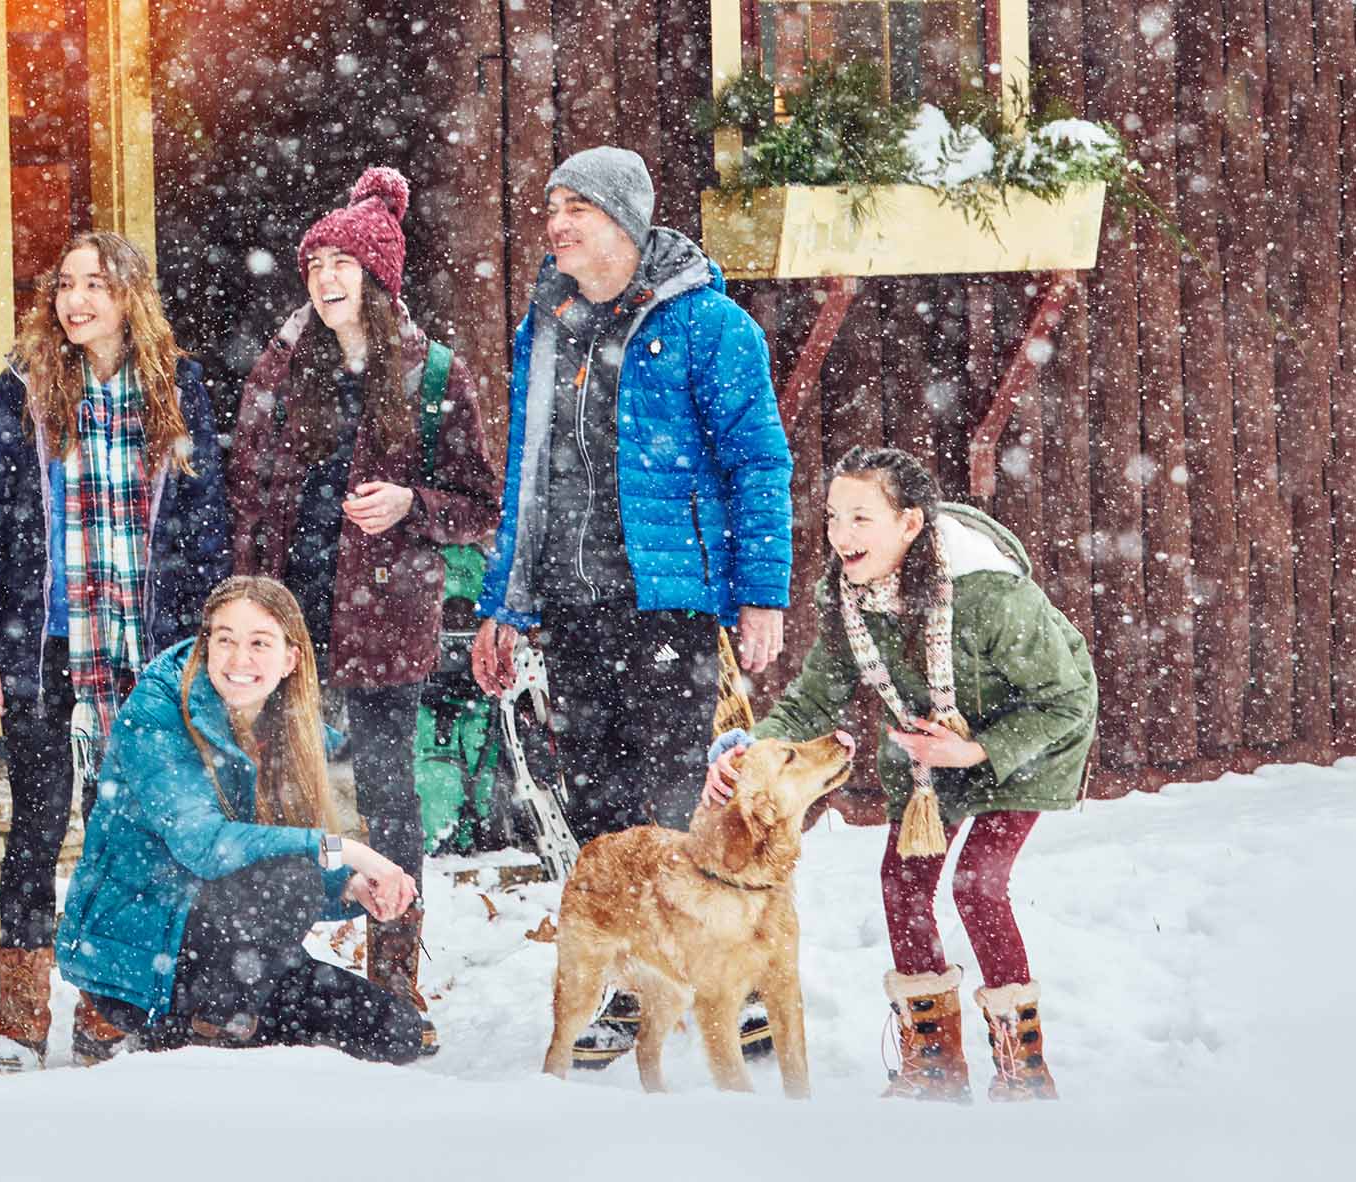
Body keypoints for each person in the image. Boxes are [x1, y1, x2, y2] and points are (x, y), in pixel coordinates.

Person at [467, 145, 793, 1067]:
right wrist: (506, 602)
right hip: (573, 606)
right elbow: (527, 480)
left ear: (625, 220)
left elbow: (757, 464)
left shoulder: (708, 325)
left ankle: (733, 985)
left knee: (671, 799)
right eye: (551, 206)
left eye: (576, 206)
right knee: (602, 809)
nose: (557, 222)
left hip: (668, 601)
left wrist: (760, 595)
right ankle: (637, 985)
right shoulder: (552, 324)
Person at [704, 446, 1097, 1102]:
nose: (840, 535)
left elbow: (1065, 702)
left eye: (861, 518)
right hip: (929, 749)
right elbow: (813, 698)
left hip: (1024, 738)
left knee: (978, 885)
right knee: (903, 884)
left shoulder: (991, 595)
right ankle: (934, 1065)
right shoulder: (848, 596)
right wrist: (751, 755)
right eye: (833, 517)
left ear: (910, 524)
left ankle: (1024, 1072)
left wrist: (976, 751)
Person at [0, 230, 231, 1073]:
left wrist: (202, 648)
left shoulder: (178, 393)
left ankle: (110, 1003)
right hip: (45, 648)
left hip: (147, 654)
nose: (77, 301)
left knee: (130, 829)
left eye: (96, 285)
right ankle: (20, 1013)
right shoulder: (21, 393)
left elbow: (207, 529)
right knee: (35, 826)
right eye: (66, 284)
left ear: (129, 297)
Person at [224, 167, 503, 1019]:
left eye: (344, 263)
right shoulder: (279, 371)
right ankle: (263, 969)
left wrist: (412, 504)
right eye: (315, 266)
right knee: (269, 785)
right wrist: (242, 606)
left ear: (378, 279)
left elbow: (481, 505)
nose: (328, 279)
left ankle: (394, 972)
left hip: (385, 609)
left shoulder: (433, 375)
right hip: (288, 607)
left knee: (388, 790)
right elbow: (246, 490)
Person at [55, 575, 434, 1065]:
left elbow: (276, 873)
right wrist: (349, 853)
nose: (239, 660)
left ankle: (232, 1032)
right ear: (206, 644)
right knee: (293, 874)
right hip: (149, 962)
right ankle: (200, 1041)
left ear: (291, 658)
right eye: (225, 640)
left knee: (393, 1031)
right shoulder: (157, 711)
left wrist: (350, 888)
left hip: (243, 965)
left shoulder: (295, 729)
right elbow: (205, 846)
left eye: (260, 643)